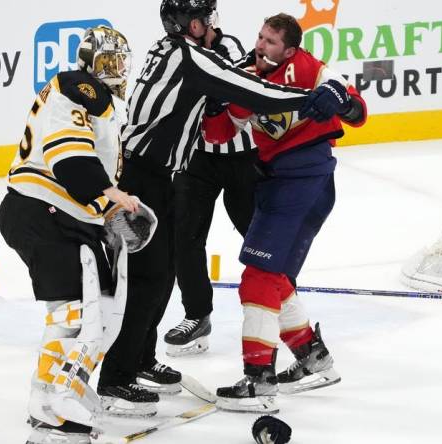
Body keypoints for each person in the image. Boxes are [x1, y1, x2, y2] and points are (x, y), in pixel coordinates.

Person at [97, 0, 349, 417]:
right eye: (207, 18)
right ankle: (115, 380)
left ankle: (139, 362)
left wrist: (328, 92)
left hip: (159, 175)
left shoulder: (173, 51)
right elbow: (253, 92)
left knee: (163, 275)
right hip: (143, 181)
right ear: (193, 25)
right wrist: (312, 99)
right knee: (149, 277)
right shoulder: (192, 58)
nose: (214, 24)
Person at [201, 13, 367, 413]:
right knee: (273, 277)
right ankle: (313, 359)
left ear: (290, 50)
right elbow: (219, 134)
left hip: (304, 183)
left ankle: (259, 382)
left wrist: (340, 100)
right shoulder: (245, 77)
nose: (260, 46)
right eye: (260, 37)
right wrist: (214, 108)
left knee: (258, 278)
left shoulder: (308, 68)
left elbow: (358, 111)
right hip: (281, 186)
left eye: (271, 42)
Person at [0, 26, 150, 444]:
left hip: (59, 215)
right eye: (108, 62)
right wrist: (108, 193)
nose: (116, 70)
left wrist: (108, 209)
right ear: (91, 65)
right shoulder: (79, 87)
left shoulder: (95, 100)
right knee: (75, 317)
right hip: (44, 212)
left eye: (120, 62)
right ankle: (50, 407)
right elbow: (69, 156)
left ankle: (53, 392)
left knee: (93, 313)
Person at [163, 25, 258, 358]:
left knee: (260, 241)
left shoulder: (227, 45)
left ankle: (273, 313)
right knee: (184, 237)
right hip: (198, 159)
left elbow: (234, 87)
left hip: (242, 159)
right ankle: (196, 315)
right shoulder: (173, 51)